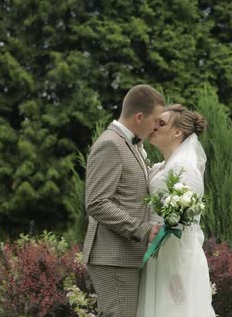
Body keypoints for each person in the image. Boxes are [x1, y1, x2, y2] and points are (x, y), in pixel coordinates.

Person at [82, 84, 164, 317]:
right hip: (112, 257)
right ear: (139, 117)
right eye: (155, 120)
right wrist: (140, 229)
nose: (157, 126)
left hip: (124, 256)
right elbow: (96, 203)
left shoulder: (132, 144)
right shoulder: (110, 143)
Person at [137, 104, 216, 316]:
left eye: (161, 123)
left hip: (177, 257)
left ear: (177, 132)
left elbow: (184, 220)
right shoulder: (163, 166)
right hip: (157, 252)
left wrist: (175, 273)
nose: (154, 127)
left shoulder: (185, 167)